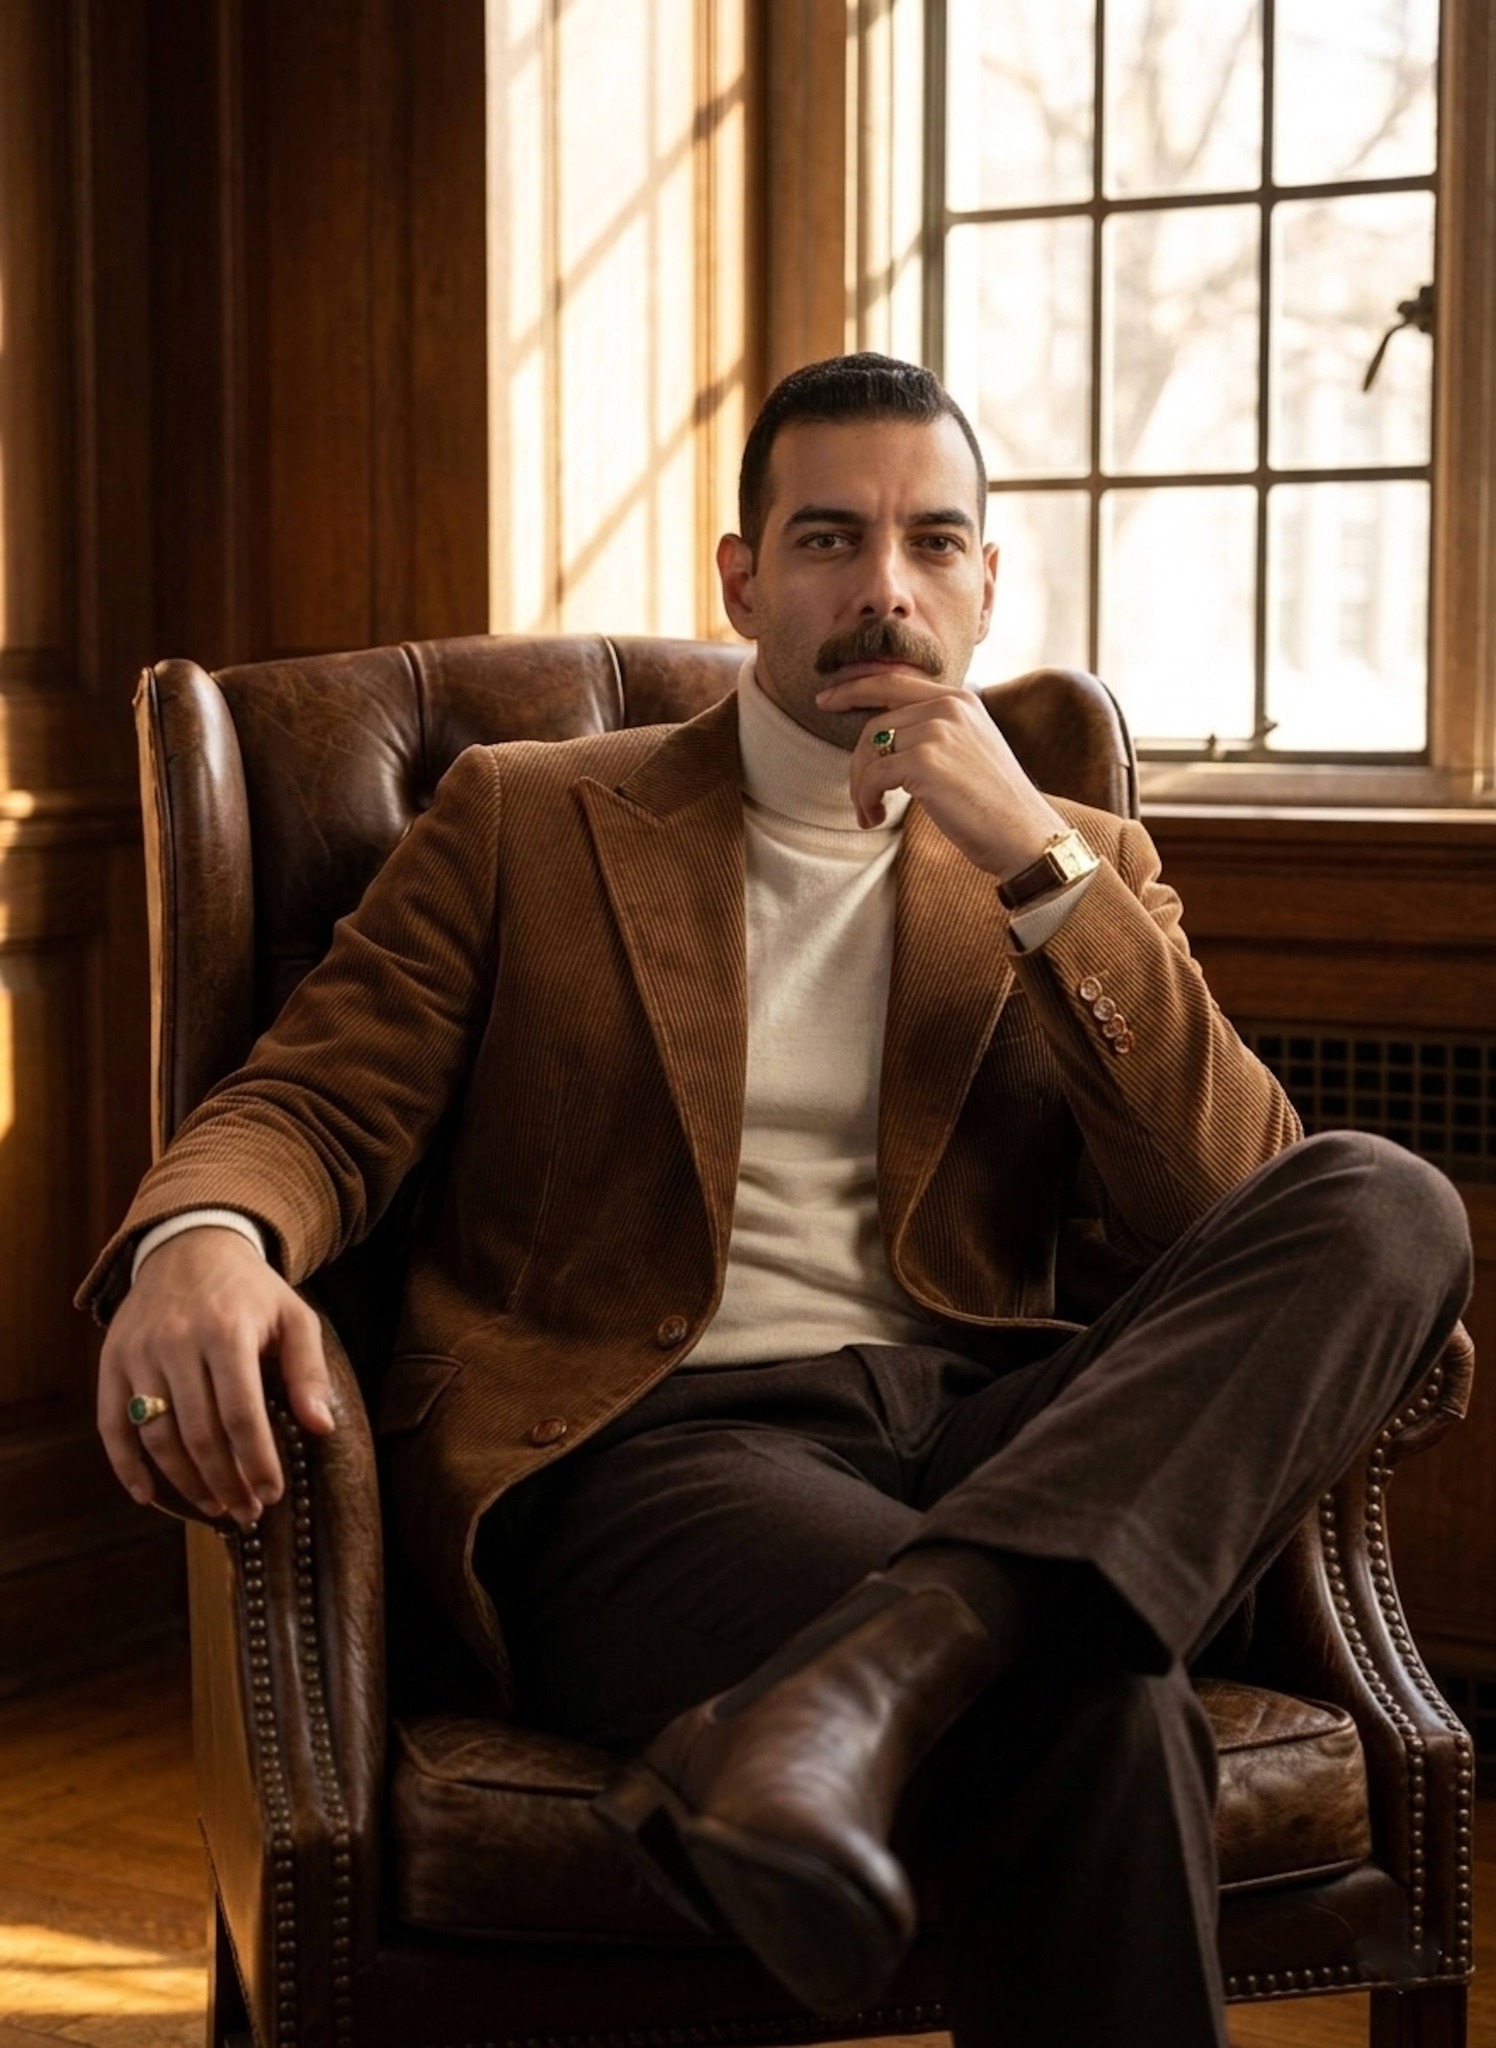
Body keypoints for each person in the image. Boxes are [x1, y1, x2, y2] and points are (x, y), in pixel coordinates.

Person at [80, 354, 1471, 2046]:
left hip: (1005, 1438)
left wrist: (1036, 867)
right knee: (1092, 1702)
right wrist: (202, 1242)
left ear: (985, 582)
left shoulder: (1078, 857)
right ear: (743, 578)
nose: (885, 587)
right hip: (658, 1454)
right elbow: (309, 1101)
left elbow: (1241, 1204)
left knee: (1386, 1202)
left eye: (933, 542)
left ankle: (876, 1668)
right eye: (830, 538)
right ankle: (918, 1654)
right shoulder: (528, 817)